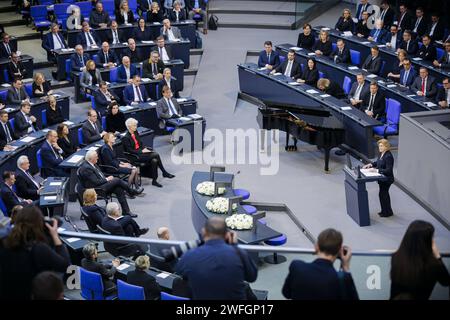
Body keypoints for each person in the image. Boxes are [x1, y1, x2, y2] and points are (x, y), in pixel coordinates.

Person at [176, 217, 258, 300]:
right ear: (227, 235)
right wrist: (234, 246)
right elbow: (252, 277)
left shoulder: (190, 255)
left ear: (204, 232)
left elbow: (178, 271)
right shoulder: (239, 254)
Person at [0, 207, 70, 300]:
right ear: (38, 224)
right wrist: (55, 236)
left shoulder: (4, 243)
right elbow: (65, 265)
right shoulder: (38, 248)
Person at [282, 228, 358, 300]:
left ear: (316, 247)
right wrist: (346, 267)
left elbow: (286, 293)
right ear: (340, 251)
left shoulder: (297, 267)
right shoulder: (340, 280)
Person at [391, 220, 450, 300]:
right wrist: (438, 256)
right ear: (427, 241)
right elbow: (446, 282)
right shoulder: (433, 265)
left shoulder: (396, 257)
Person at [79, 150, 141, 217]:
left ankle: (126, 211)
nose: (98, 158)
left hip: (102, 184)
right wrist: (107, 179)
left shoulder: (92, 164)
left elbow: (100, 175)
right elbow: (96, 182)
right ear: (91, 159)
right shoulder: (86, 168)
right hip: (96, 189)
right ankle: (131, 191)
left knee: (118, 188)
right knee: (117, 180)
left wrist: (107, 178)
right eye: (96, 157)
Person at [122, 118, 174, 187]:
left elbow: (140, 143)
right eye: (134, 125)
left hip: (141, 153)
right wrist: (141, 151)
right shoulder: (125, 138)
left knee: (154, 160)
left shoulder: (135, 132)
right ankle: (164, 172)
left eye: (136, 125)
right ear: (129, 127)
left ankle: (154, 181)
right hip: (135, 156)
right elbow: (130, 150)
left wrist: (144, 149)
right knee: (156, 154)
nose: (136, 127)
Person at [362, 139, 394, 217]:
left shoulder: (388, 156)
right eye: (379, 146)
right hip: (381, 178)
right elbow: (378, 162)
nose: (379, 147)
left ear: (386, 147)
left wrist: (376, 170)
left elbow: (388, 170)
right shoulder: (381, 154)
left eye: (381, 146)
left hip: (387, 179)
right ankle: (385, 211)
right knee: (382, 195)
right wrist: (370, 164)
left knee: (384, 195)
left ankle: (387, 212)